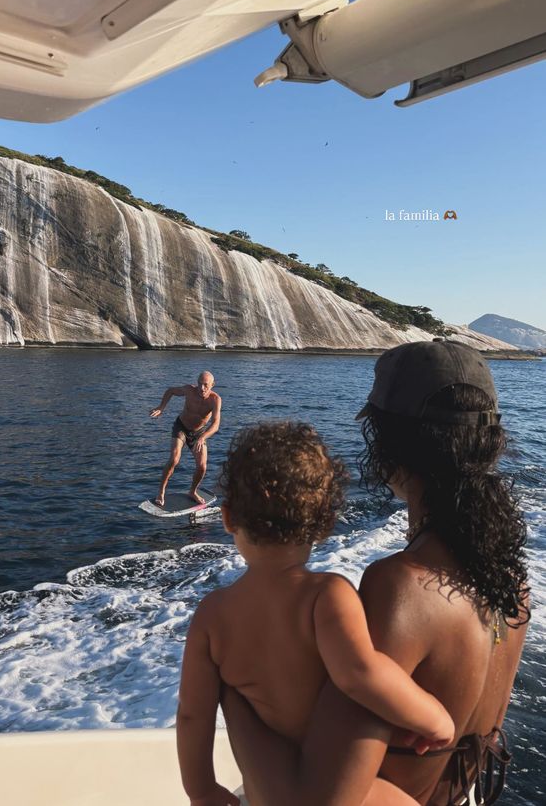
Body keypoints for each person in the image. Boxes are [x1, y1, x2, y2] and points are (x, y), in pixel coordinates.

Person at [221, 341, 530, 806]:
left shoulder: (401, 584)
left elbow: (313, 800)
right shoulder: (512, 579)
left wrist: (230, 690)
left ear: (388, 442)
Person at [177, 421, 455, 806]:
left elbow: (193, 715)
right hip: (337, 789)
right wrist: (432, 719)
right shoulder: (326, 595)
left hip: (266, 793)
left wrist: (202, 790)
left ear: (227, 518)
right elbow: (362, 675)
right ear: (323, 526)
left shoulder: (211, 616)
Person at [149, 371, 221, 506]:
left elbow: (216, 424)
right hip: (181, 427)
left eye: (206, 385)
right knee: (174, 459)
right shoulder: (189, 390)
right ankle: (161, 491)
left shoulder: (215, 400)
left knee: (202, 466)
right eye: (200, 383)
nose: (202, 388)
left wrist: (203, 437)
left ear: (213, 385)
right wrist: (161, 407)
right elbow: (170, 391)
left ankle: (192, 491)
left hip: (199, 433)